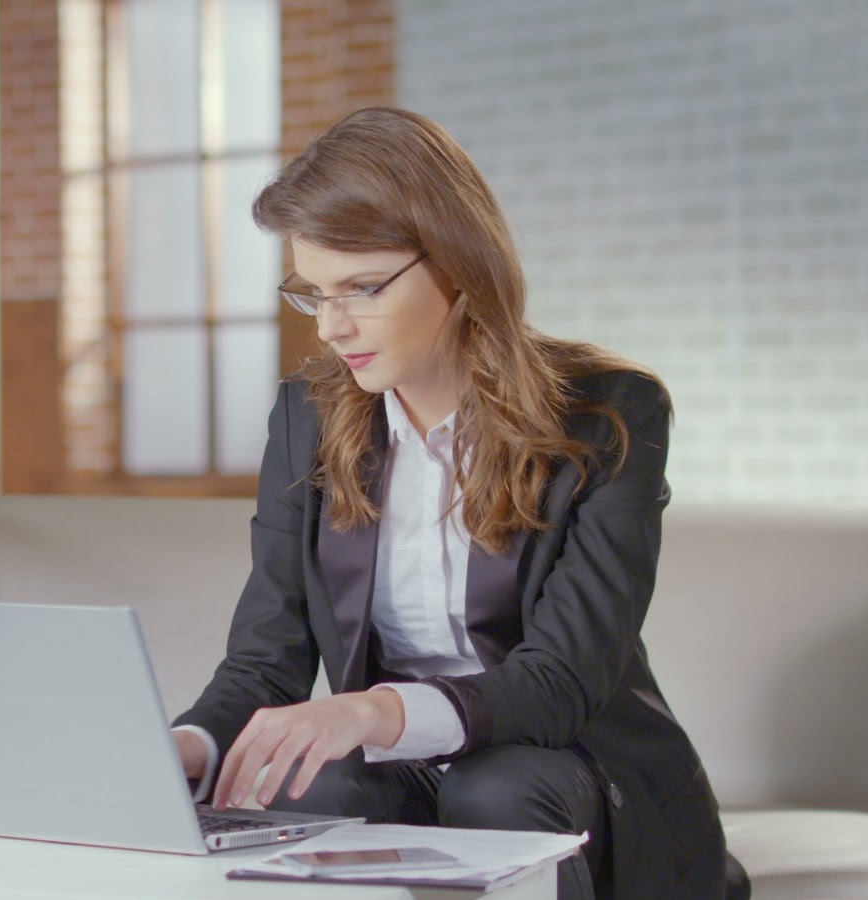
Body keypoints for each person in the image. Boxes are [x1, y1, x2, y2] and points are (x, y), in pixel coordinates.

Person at [168, 107, 743, 900]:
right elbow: (268, 657)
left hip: (572, 767)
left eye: (363, 288)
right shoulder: (308, 419)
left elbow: (562, 680)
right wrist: (187, 747)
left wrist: (371, 713)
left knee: (494, 788)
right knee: (315, 781)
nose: (332, 327)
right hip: (404, 767)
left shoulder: (609, 413)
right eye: (314, 294)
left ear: (458, 263)